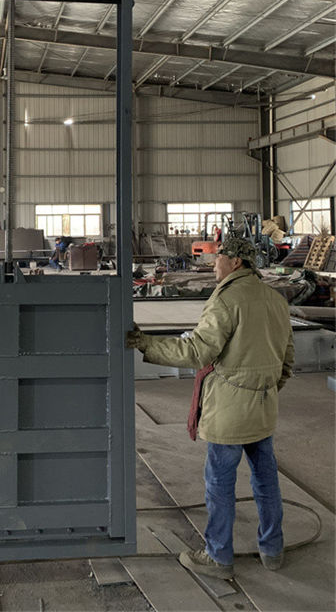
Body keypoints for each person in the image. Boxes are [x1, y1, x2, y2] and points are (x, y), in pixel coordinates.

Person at [126, 237, 294, 580]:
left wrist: (145, 344)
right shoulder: (275, 299)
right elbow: (287, 359)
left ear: (236, 262)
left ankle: (218, 556)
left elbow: (196, 352)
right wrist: (264, 389)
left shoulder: (226, 299)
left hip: (229, 413)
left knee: (219, 483)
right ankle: (272, 550)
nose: (213, 263)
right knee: (266, 480)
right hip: (263, 409)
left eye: (219, 258)